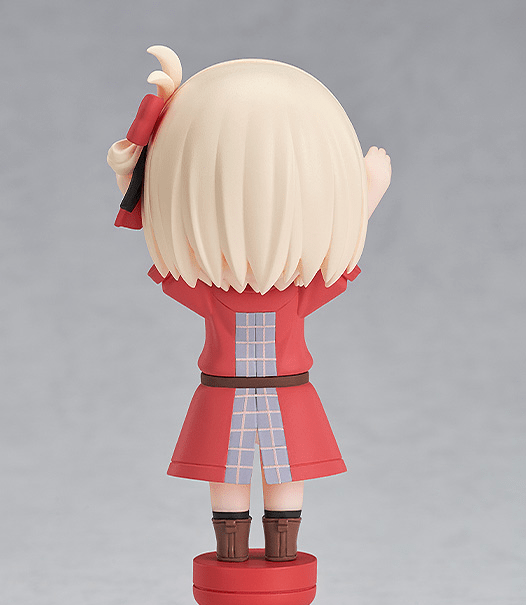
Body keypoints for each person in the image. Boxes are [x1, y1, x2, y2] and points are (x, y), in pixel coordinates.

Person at [108, 46, 391, 563]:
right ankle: (230, 551)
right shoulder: (214, 293)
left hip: (286, 395)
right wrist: (137, 185)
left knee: (285, 479)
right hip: (226, 396)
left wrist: (364, 202)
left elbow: (339, 269)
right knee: (228, 479)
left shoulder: (292, 292)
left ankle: (284, 551)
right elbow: (168, 271)